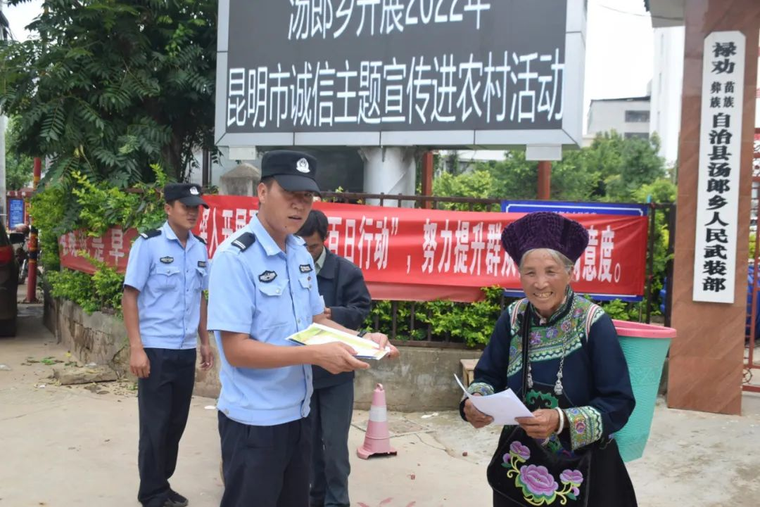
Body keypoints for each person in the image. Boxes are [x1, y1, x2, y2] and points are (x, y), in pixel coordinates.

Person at [207, 150, 399, 507]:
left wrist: (362, 340)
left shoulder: (298, 253)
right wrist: (314, 355)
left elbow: (315, 321)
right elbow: (236, 350)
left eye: (307, 197)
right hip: (255, 422)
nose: (299, 205)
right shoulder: (235, 258)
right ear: (262, 192)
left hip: (299, 415)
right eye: (289, 194)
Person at [461, 212, 638, 507]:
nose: (540, 283)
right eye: (530, 272)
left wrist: (561, 420)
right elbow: (488, 376)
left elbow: (618, 403)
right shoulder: (513, 318)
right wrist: (476, 401)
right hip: (520, 460)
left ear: (570, 273)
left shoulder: (593, 322)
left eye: (551, 271)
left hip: (584, 466)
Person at [122, 183, 215, 507]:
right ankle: (151, 493)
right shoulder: (148, 245)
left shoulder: (200, 248)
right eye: (185, 206)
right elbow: (130, 296)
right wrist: (137, 348)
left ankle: (161, 484)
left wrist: (204, 341)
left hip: (185, 349)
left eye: (196, 207)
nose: (192, 212)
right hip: (156, 349)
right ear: (168, 208)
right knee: (155, 425)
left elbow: (200, 297)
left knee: (175, 424)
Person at [296, 209, 371, 507]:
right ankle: (315, 499)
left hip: (336, 374)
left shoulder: (345, 271)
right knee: (308, 444)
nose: (307, 252)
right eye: (301, 245)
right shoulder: (290, 267)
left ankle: (337, 501)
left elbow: (360, 309)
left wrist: (330, 313)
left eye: (313, 246)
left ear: (325, 240)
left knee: (335, 445)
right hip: (302, 371)